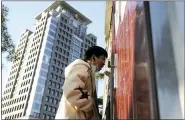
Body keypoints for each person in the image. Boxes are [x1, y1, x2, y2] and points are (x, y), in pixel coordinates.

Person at [55, 46, 108, 120]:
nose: (104, 63)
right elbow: (74, 89)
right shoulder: (82, 67)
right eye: (102, 59)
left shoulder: (87, 71)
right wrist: (88, 109)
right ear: (93, 58)